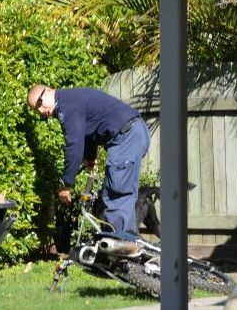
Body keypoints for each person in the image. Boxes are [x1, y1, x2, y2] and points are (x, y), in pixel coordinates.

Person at [27, 84, 150, 237]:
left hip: (125, 137)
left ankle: (123, 246)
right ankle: (126, 243)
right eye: (36, 109)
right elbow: (89, 133)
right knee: (122, 195)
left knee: (116, 197)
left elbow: (74, 145)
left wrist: (66, 184)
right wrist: (90, 158)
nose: (40, 110)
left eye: (40, 102)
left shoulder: (66, 105)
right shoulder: (70, 100)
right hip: (134, 132)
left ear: (49, 90)